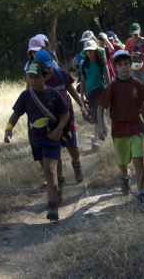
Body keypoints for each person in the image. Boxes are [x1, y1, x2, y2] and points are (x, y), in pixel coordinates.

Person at [4, 61, 70, 221]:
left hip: (52, 138)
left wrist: (59, 129)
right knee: (46, 171)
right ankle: (56, 191)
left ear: (45, 77)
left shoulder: (54, 93)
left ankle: (52, 206)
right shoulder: (25, 96)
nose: (33, 80)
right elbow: (16, 114)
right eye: (30, 77)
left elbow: (66, 113)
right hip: (35, 140)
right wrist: (8, 129)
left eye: (37, 77)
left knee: (50, 170)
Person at [97, 50, 144, 207]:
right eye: (120, 65)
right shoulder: (112, 86)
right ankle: (124, 175)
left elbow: (142, 106)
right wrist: (101, 126)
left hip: (136, 127)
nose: (124, 67)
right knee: (122, 161)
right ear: (115, 67)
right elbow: (100, 108)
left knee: (138, 160)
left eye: (126, 64)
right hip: (119, 130)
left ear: (130, 64)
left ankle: (141, 193)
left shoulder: (138, 85)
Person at [33, 51, 87, 198]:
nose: (49, 70)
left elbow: (72, 91)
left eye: (50, 65)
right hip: (49, 122)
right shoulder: (38, 81)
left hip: (67, 116)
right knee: (54, 151)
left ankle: (76, 163)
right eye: (45, 67)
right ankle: (60, 177)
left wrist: (81, 105)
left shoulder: (62, 74)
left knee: (73, 147)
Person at [79, 40, 110, 149]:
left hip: (101, 90)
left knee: (98, 111)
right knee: (96, 113)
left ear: (95, 50)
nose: (89, 53)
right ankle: (106, 129)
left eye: (91, 50)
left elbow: (107, 79)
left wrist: (111, 93)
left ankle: (96, 138)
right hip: (90, 92)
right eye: (87, 51)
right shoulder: (83, 65)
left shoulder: (101, 63)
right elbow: (82, 81)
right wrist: (82, 96)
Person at [125, 23, 144, 95]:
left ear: (140, 31)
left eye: (136, 34)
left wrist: (141, 54)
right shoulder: (128, 42)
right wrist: (131, 55)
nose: (134, 36)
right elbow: (126, 55)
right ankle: (138, 105)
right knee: (135, 89)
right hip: (133, 69)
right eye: (133, 34)